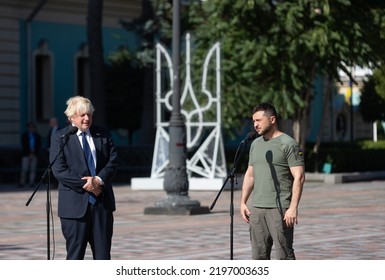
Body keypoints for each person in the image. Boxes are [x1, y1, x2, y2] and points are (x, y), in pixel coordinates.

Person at [50, 96, 118, 260]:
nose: (87, 118)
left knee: (103, 258)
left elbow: (113, 161)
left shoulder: (102, 133)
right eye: (82, 115)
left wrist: (98, 180)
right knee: (75, 258)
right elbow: (59, 169)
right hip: (74, 209)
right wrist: (87, 183)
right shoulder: (61, 137)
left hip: (101, 205)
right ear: (71, 117)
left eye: (89, 114)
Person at [240, 103, 305, 260]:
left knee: (284, 256)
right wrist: (243, 202)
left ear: (272, 119)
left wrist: (293, 207)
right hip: (257, 209)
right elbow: (250, 174)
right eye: (253, 121)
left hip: (280, 210)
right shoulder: (255, 144)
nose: (255, 124)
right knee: (258, 257)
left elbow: (299, 177)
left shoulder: (288, 144)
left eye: (259, 120)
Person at [18, 122, 42, 187]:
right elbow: (24, 145)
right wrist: (29, 151)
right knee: (24, 169)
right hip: (26, 154)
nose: (31, 129)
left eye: (32, 127)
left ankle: (31, 182)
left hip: (34, 154)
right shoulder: (25, 135)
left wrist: (34, 151)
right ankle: (22, 182)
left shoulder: (37, 136)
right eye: (30, 127)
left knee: (33, 169)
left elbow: (39, 145)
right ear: (28, 128)